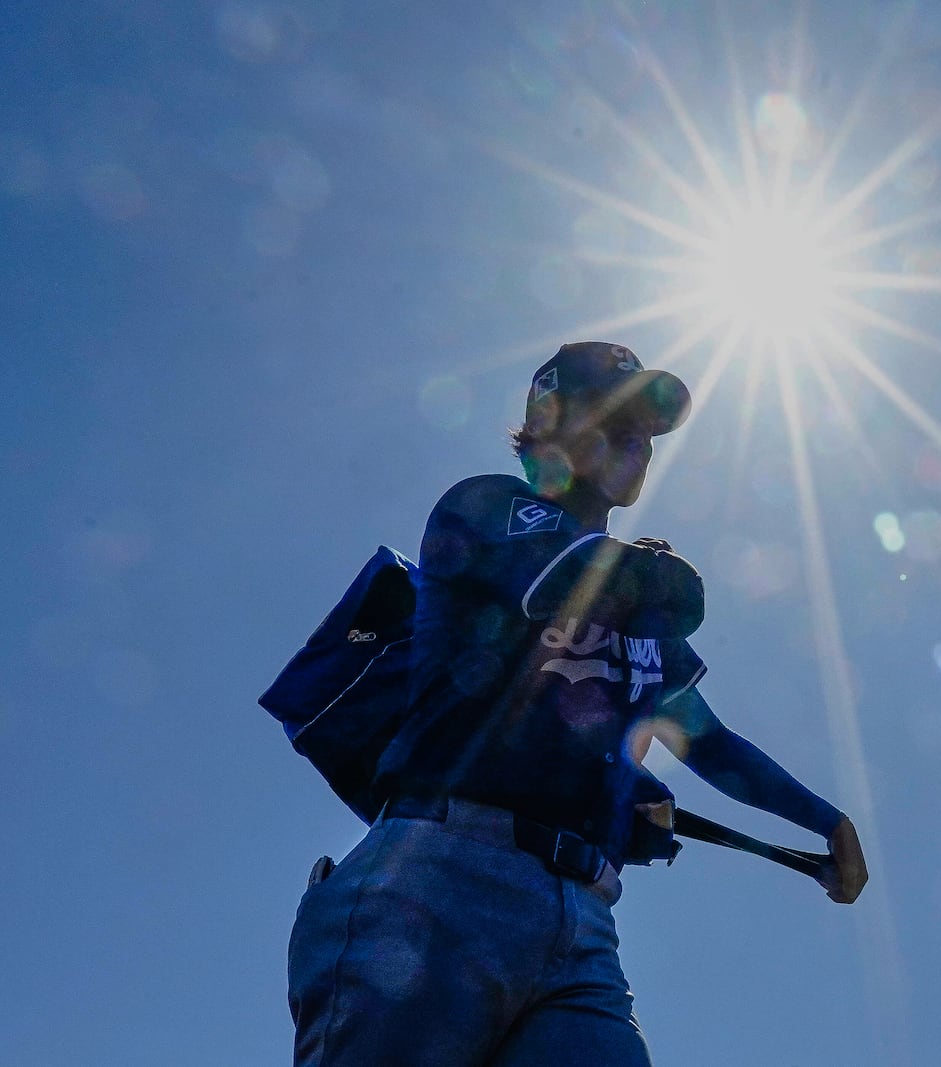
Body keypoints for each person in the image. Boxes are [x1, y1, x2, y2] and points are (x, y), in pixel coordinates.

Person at [287, 341, 868, 1066]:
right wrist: (649, 575)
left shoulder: (636, 597)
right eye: (617, 416)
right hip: (434, 885)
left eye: (647, 430)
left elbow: (707, 741)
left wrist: (823, 822)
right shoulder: (482, 508)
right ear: (548, 416)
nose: (638, 440)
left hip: (583, 917)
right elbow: (565, 577)